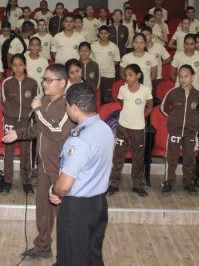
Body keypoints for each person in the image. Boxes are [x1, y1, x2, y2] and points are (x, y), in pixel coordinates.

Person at [2, 64, 74, 261]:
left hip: (60, 169)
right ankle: (42, 246)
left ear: (63, 83)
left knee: (63, 215)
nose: (44, 83)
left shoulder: (68, 104)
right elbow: (38, 129)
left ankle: (66, 255)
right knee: (43, 210)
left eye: (49, 80)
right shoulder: (43, 100)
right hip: (42, 165)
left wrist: (38, 110)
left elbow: (57, 132)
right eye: (44, 79)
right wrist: (18, 133)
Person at [48, 82, 113, 266]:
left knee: (72, 258)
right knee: (92, 256)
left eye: (67, 106)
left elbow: (65, 185)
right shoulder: (105, 129)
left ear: (74, 108)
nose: (67, 109)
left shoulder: (80, 141)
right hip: (99, 203)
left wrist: (54, 189)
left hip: (78, 209)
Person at [106, 64, 153, 197]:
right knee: (118, 155)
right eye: (126, 75)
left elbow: (150, 107)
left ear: (138, 75)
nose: (127, 77)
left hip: (138, 128)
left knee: (138, 156)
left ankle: (137, 185)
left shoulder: (145, 90)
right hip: (123, 126)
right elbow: (122, 104)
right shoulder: (122, 89)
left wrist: (140, 117)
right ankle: (114, 183)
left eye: (130, 75)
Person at [160, 64, 199, 196]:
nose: (183, 79)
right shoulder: (173, 92)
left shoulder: (197, 94)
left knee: (189, 157)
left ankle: (188, 182)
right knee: (172, 157)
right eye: (180, 76)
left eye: (186, 76)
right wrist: (174, 117)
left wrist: (192, 119)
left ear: (192, 78)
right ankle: (168, 182)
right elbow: (163, 107)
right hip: (175, 130)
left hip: (190, 130)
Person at [1, 54, 39, 195]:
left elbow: (37, 103)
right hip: (10, 120)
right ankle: (7, 181)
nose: (17, 68)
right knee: (8, 151)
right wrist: (10, 114)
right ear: (11, 66)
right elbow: (3, 100)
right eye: (14, 65)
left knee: (26, 152)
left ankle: (26, 182)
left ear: (25, 65)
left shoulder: (33, 83)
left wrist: (31, 118)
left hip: (26, 121)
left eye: (20, 64)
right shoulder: (6, 83)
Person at [91, 26, 120, 102]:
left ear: (109, 34)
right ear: (98, 35)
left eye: (105, 33)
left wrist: (108, 66)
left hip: (109, 75)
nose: (103, 35)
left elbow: (117, 60)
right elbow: (90, 60)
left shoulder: (114, 47)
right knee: (95, 96)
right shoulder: (93, 46)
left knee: (107, 97)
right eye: (101, 33)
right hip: (95, 75)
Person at [143, 26, 171, 93]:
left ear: (152, 35)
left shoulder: (159, 47)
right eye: (143, 35)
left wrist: (158, 64)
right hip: (143, 78)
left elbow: (168, 59)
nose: (145, 37)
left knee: (156, 99)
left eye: (147, 35)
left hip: (157, 77)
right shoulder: (139, 48)